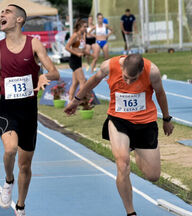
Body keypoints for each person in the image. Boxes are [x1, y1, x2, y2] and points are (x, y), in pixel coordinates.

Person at [64, 54, 174, 216]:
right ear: (121, 68)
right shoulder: (109, 66)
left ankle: (136, 148)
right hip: (119, 121)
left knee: (153, 175)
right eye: (125, 78)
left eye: (133, 79)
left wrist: (166, 119)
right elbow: (93, 80)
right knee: (122, 164)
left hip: (145, 124)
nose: (128, 82)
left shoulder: (153, 72)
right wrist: (76, 100)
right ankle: (131, 212)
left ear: (141, 71)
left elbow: (160, 94)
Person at [0, 4, 60, 216]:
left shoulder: (34, 44)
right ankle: (8, 180)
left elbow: (55, 72)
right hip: (7, 108)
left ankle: (20, 205)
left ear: (20, 20)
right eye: (2, 12)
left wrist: (44, 76)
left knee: (25, 165)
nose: (2, 14)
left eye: (8, 12)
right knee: (10, 150)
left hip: (29, 111)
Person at [65, 19, 88, 100]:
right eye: (84, 26)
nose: (86, 28)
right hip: (74, 60)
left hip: (79, 60)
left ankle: (70, 101)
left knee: (75, 83)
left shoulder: (82, 35)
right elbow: (67, 47)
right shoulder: (75, 35)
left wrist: (86, 53)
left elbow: (80, 48)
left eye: (86, 26)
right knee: (83, 81)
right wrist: (77, 53)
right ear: (79, 27)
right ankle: (82, 101)